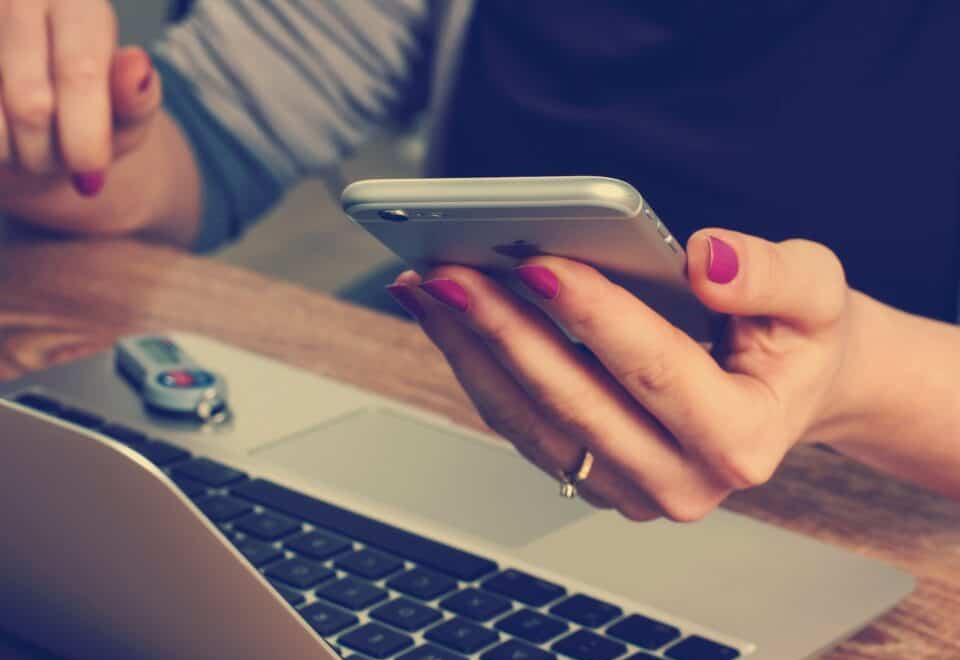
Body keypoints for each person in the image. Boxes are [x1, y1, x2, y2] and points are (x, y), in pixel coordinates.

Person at [1, 0, 957, 518]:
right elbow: (212, 133)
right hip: (454, 443)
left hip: (885, 526)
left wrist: (859, 375)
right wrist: (69, 137)